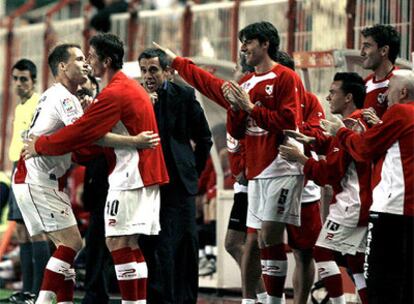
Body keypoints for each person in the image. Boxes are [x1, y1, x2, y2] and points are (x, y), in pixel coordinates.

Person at [160, 20, 305, 304]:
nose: (243, 48)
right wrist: (179, 63)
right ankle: (259, 300)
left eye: (249, 41)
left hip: (282, 167)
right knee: (256, 242)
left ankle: (271, 301)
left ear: (265, 44)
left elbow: (289, 121)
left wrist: (250, 108)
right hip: (255, 172)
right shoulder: (245, 83)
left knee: (269, 239)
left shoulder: (286, 77)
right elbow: (236, 127)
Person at [23, 33, 169, 304]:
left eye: (89, 56)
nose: (88, 62)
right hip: (142, 173)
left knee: (115, 244)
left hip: (130, 174)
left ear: (107, 60)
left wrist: (41, 145)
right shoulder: (127, 88)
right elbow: (91, 135)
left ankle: (45, 300)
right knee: (127, 245)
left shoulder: (114, 92)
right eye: (82, 57)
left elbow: (81, 133)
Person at [152, 43, 267, 303]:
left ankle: (263, 298)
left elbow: (209, 87)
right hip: (244, 182)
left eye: (238, 69)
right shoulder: (239, 97)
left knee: (262, 244)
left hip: (262, 178)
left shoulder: (253, 94)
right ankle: (261, 297)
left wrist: (180, 62)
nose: (235, 76)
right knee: (236, 243)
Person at [321, 69, 414, 304]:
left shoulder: (401, 112)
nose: (384, 95)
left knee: (378, 279)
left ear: (403, 92)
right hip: (405, 208)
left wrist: (339, 131)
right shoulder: (399, 118)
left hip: (389, 208)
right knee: (402, 279)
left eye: (389, 89)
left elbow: (363, 149)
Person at [281, 72, 371, 304]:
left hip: (352, 204)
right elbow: (336, 149)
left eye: (333, 92)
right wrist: (312, 141)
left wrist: (300, 158)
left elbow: (328, 174)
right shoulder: (359, 121)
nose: (328, 97)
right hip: (362, 202)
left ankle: (338, 302)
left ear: (348, 97)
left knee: (321, 251)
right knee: (356, 263)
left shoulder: (352, 126)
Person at [11, 44, 92, 304]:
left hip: (35, 178)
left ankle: (60, 301)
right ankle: (42, 300)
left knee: (64, 246)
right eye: (79, 59)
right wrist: (130, 141)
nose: (85, 64)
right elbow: (85, 139)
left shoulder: (54, 94)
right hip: (36, 179)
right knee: (72, 243)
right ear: (62, 67)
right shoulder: (64, 98)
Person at [138, 48, 212, 304]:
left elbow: (204, 139)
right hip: (147, 186)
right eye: (144, 70)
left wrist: (192, 170)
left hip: (179, 185)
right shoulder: (135, 97)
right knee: (154, 247)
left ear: (168, 71)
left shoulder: (185, 95)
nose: (148, 76)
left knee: (185, 248)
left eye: (153, 70)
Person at [7, 59, 50, 303]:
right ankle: (26, 290)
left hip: (32, 170)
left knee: (37, 232)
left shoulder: (38, 104)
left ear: (34, 80)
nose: (19, 84)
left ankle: (39, 292)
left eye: (24, 79)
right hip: (16, 170)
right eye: (16, 79)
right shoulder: (21, 107)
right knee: (22, 232)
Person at [360, 24, 401, 120]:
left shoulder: (402, 84)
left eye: (367, 46)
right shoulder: (365, 83)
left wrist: (378, 124)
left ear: (383, 50)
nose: (361, 53)